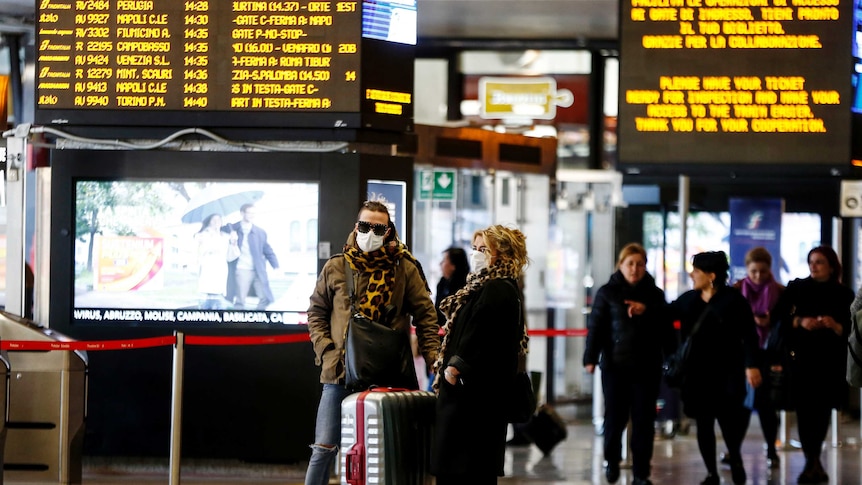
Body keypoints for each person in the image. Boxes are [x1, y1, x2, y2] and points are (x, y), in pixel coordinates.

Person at [304, 199, 440, 485]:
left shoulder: (404, 268)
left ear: (389, 231)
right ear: (356, 226)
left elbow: (427, 317)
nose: (370, 233)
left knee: (391, 449)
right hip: (340, 371)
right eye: (365, 226)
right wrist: (327, 352)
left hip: (387, 373)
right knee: (324, 447)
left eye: (379, 228)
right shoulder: (337, 266)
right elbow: (316, 312)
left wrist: (434, 362)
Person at [431, 225, 529, 485]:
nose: (476, 254)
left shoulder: (497, 288)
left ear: (503, 254)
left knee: (465, 470)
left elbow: (479, 336)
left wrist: (454, 369)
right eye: (474, 248)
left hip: (473, 400)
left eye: (484, 249)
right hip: (473, 398)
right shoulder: (484, 286)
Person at [583, 242, 673, 485]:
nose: (635, 269)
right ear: (620, 265)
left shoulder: (654, 295)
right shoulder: (607, 293)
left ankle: (641, 473)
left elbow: (666, 328)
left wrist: (647, 311)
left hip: (647, 367)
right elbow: (597, 328)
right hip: (615, 367)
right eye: (630, 264)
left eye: (640, 264)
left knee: (644, 422)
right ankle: (612, 461)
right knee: (615, 418)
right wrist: (590, 358)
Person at [668, 251, 761, 485]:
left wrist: (752, 365)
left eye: (696, 271)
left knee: (730, 421)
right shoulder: (688, 299)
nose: (692, 275)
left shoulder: (734, 301)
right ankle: (712, 473)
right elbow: (664, 315)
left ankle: (735, 457)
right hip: (697, 374)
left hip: (727, 372)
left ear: (711, 276)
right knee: (704, 423)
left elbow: (750, 335)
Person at [771, 246, 853, 484]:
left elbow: (851, 328)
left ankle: (814, 459)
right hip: (801, 360)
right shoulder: (797, 288)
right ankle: (811, 460)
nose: (814, 266)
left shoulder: (843, 294)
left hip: (830, 362)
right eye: (811, 262)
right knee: (805, 411)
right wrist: (800, 321)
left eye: (819, 262)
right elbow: (779, 317)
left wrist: (835, 326)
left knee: (823, 411)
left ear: (831, 266)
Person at [722, 247, 784, 469]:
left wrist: (770, 323)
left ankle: (771, 449)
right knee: (741, 405)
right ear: (747, 270)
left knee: (767, 406)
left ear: (770, 270)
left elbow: (785, 324)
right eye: (754, 271)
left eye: (763, 271)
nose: (758, 276)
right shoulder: (736, 291)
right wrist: (750, 324)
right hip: (742, 354)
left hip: (769, 354)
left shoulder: (780, 292)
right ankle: (733, 449)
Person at [224, 203, 279, 310]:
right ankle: (237, 325)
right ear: (242, 213)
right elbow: (219, 229)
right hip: (241, 269)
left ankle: (256, 320)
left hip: (258, 270)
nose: (251, 215)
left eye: (253, 213)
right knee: (240, 300)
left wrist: (276, 265)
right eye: (249, 212)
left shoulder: (260, 232)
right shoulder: (233, 228)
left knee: (265, 297)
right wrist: (230, 231)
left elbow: (267, 250)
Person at [194, 213, 239, 309]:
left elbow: (230, 256)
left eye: (219, 220)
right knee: (206, 301)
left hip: (220, 269)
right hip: (208, 268)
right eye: (213, 220)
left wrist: (233, 242)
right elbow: (200, 251)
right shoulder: (202, 235)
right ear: (209, 222)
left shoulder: (225, 237)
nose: (216, 222)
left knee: (219, 302)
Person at [435, 247, 470, 327]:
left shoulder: (466, 286)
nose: (440, 264)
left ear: (453, 266)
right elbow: (436, 312)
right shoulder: (442, 282)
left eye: (444, 260)